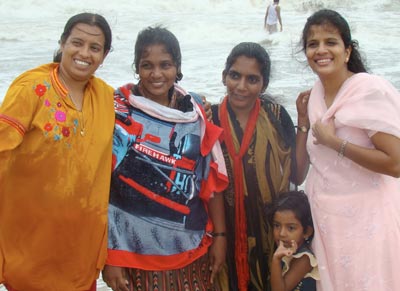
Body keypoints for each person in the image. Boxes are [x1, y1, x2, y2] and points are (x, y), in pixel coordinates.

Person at [101, 26, 229, 291]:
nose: (156, 74)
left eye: (165, 65)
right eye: (147, 65)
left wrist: (220, 236)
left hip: (191, 250)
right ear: (136, 67)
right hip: (133, 254)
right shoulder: (116, 112)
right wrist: (109, 257)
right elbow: (103, 191)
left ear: (177, 67)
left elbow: (209, 184)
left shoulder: (194, 112)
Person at [0, 13, 114, 291]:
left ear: (105, 55)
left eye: (95, 48)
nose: (84, 53)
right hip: (29, 252)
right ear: (63, 43)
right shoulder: (32, 89)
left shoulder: (107, 97)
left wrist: (195, 103)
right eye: (77, 43)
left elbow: (149, 101)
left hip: (80, 258)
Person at [296, 9, 400, 290]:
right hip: (330, 222)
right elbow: (302, 170)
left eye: (330, 42)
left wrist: (335, 143)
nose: (321, 50)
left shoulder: (368, 90)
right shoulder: (314, 94)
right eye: (312, 44)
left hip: (369, 222)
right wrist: (302, 122)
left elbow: (395, 164)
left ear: (347, 50)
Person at [211, 42, 298, 291]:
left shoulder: (276, 116)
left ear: (263, 84)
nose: (241, 86)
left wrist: (303, 125)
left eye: (252, 79)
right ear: (224, 76)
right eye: (235, 75)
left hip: (270, 233)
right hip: (222, 233)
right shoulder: (209, 118)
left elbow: (297, 174)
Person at [268, 191, 319, 291]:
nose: (282, 233)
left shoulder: (304, 258)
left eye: (291, 228)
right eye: (277, 225)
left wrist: (276, 260)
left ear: (306, 232)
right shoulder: (286, 251)